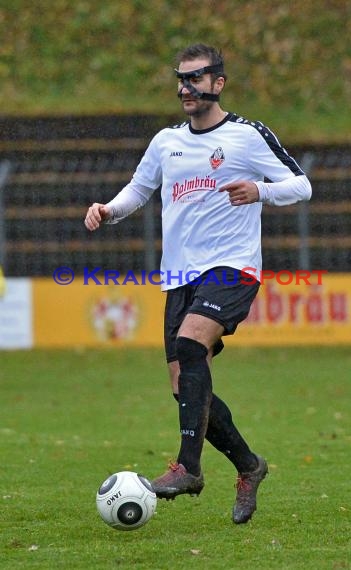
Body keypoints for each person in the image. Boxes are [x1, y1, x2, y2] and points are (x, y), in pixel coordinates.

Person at [84, 43, 312, 524]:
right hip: (179, 275)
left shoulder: (247, 135)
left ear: (218, 83)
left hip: (232, 267)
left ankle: (188, 468)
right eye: (180, 79)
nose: (185, 87)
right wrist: (109, 209)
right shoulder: (166, 141)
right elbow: (139, 189)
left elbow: (301, 185)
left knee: (191, 345)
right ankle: (249, 466)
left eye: (196, 77)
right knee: (183, 386)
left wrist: (261, 191)